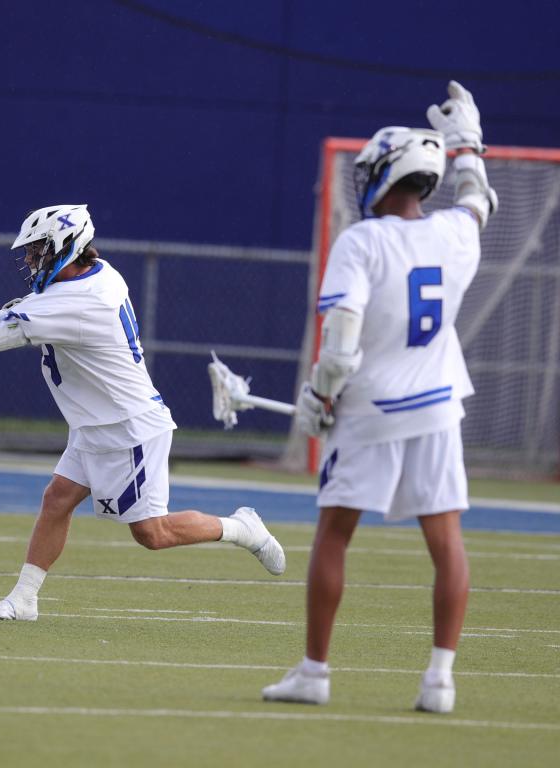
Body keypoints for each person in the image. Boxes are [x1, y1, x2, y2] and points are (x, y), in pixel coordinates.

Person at [0, 203, 286, 619]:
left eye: (37, 249)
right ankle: (24, 599)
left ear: (66, 246)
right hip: (95, 422)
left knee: (153, 533)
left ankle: (244, 529)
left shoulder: (77, 301)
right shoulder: (95, 276)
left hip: (128, 428)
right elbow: (2, 322)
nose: (29, 259)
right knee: (57, 498)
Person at [259, 82, 498, 713]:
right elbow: (476, 200)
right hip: (439, 404)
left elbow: (339, 349)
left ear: (384, 175)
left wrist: (317, 395)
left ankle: (315, 672)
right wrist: (468, 144)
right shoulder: (454, 233)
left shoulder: (361, 242)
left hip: (368, 411)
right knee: (446, 543)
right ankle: (440, 681)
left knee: (334, 535)